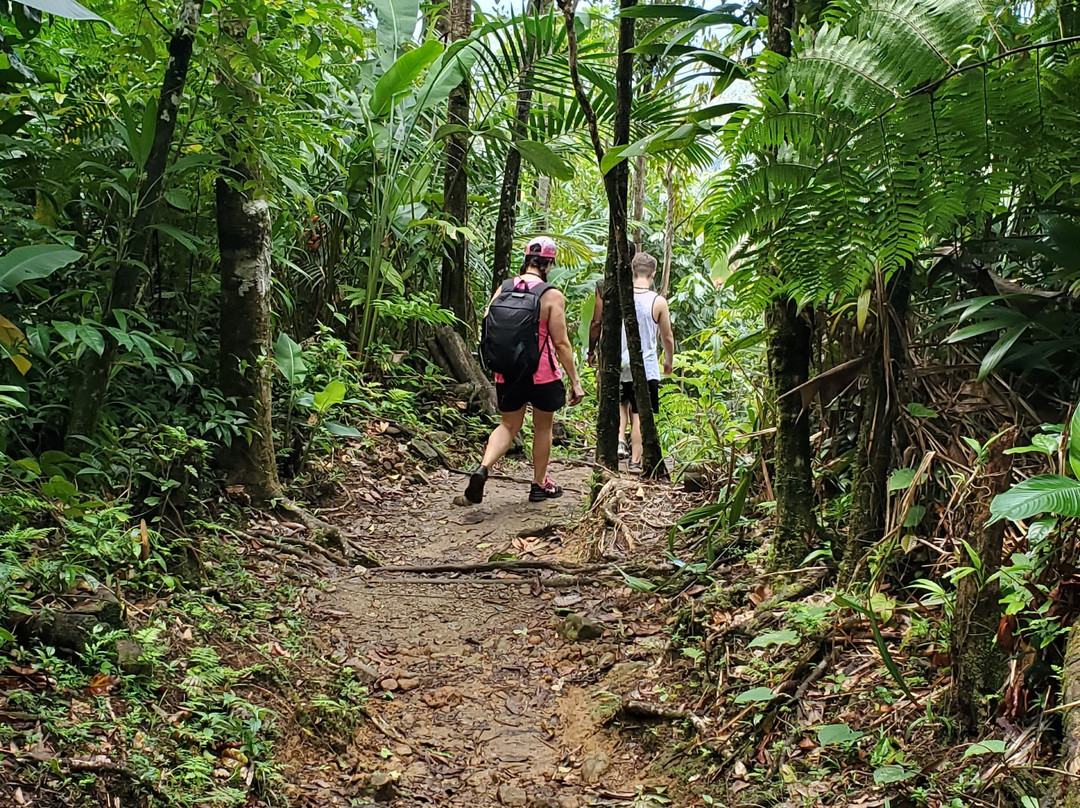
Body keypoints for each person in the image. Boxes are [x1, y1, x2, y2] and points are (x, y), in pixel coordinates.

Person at [461, 236, 586, 505]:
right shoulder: (551, 295)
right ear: (548, 263)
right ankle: (539, 484)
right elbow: (562, 343)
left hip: (507, 371)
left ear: (527, 260)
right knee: (543, 427)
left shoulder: (503, 289)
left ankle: (483, 467)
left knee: (508, 425)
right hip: (541, 372)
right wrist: (575, 382)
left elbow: (488, 322)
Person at [620, 252, 675, 473]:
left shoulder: (622, 298)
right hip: (647, 365)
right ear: (653, 274)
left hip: (620, 363)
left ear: (632, 272)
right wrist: (669, 361)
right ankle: (635, 461)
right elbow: (667, 336)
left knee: (621, 406)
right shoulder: (658, 301)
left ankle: (618, 442)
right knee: (640, 415)